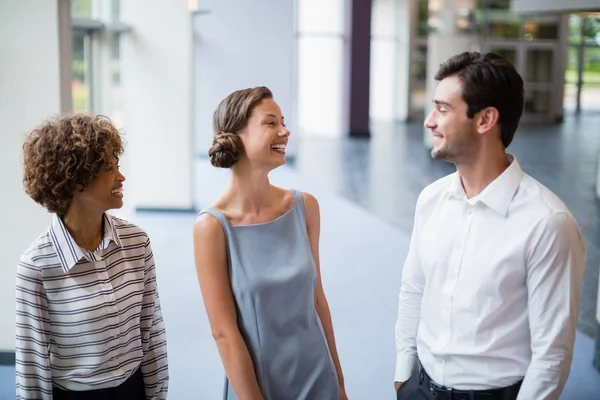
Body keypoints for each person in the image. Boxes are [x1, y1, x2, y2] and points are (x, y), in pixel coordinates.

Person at [394, 52, 586, 400]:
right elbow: (414, 289)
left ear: (485, 119)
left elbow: (552, 354)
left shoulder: (548, 223)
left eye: (442, 109)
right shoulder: (431, 199)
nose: (428, 121)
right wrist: (404, 373)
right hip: (419, 388)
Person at [193, 86, 347, 400]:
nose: (285, 131)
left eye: (284, 122)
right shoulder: (212, 227)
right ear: (237, 136)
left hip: (320, 378)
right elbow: (224, 334)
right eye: (271, 123)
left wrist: (340, 385)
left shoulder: (305, 207)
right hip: (260, 386)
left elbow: (317, 300)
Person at [16, 113, 169, 400]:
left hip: (134, 391)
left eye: (117, 164)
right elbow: (32, 369)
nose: (121, 176)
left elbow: (151, 334)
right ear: (77, 181)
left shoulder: (137, 242)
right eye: (109, 169)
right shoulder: (36, 266)